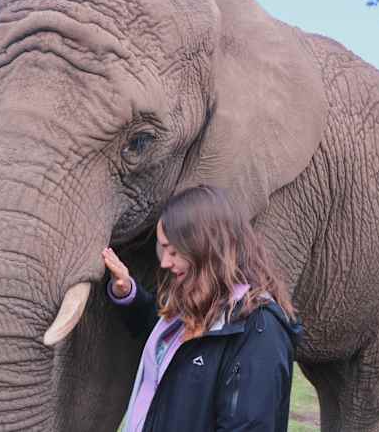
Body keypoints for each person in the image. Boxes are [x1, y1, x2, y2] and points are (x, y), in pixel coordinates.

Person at [102, 185, 301, 432]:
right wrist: (128, 292)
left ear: (206, 249)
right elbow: (173, 347)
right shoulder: (204, 306)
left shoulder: (259, 331)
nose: (164, 262)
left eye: (174, 251)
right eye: (163, 248)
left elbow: (249, 425)